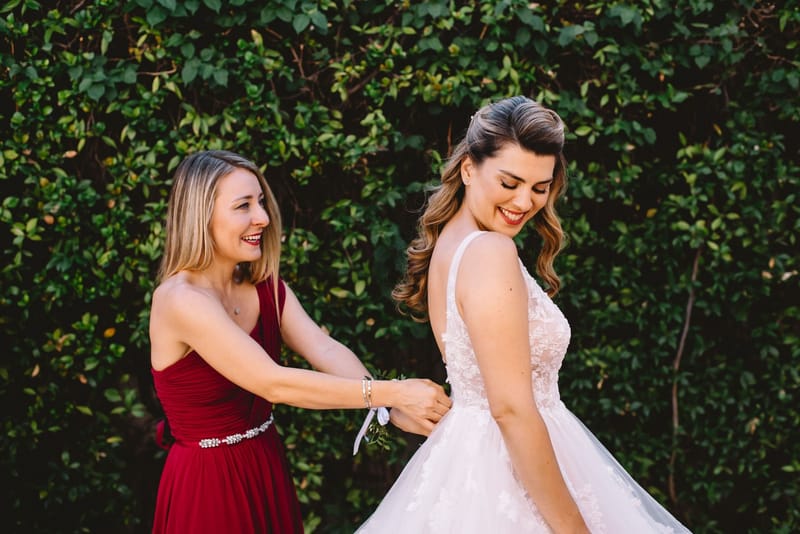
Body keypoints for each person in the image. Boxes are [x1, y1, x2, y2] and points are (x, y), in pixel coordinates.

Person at [357, 96, 692, 533]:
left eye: (540, 187)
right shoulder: (490, 251)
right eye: (510, 182)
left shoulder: (451, 246)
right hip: (509, 469)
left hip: (471, 463)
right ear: (468, 169)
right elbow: (512, 408)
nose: (524, 202)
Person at [148, 150, 452, 533]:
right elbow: (271, 381)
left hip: (265, 464)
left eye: (260, 202)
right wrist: (392, 394)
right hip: (207, 483)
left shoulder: (266, 289)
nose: (262, 217)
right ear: (200, 217)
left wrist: (385, 410)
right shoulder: (180, 300)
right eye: (243, 205)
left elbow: (322, 349)